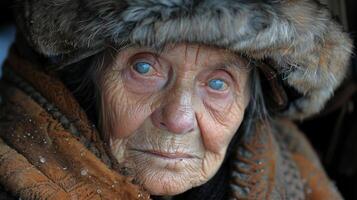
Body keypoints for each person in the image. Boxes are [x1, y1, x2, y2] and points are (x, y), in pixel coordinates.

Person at [0, 0, 352, 199]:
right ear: (85, 82)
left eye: (217, 83)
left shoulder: (300, 179)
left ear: (249, 103)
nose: (179, 118)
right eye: (144, 67)